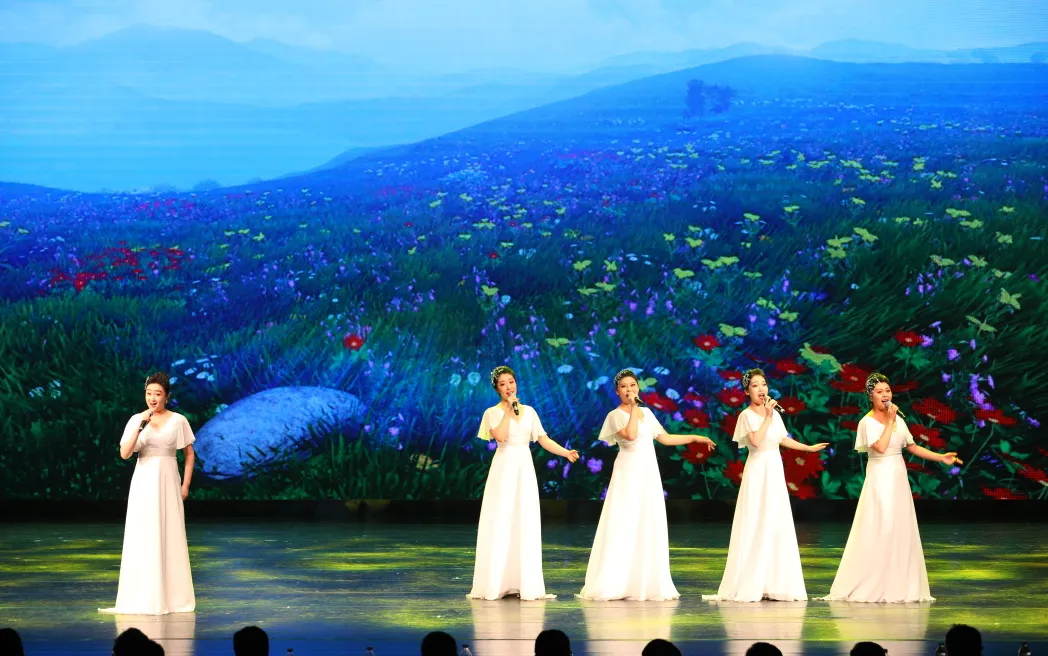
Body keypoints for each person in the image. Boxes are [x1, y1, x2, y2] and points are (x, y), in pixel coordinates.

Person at [821, 373, 961, 603]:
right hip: (880, 477)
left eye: (887, 390)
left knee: (900, 527)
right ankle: (875, 581)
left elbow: (912, 446)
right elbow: (881, 447)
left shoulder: (898, 420)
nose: (885, 395)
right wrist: (888, 422)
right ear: (871, 396)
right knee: (883, 525)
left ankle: (899, 583)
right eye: (880, 392)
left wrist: (941, 457)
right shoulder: (867, 422)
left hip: (898, 477)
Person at [578, 369, 715, 601]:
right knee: (625, 521)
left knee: (647, 521)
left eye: (633, 385)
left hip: (648, 473)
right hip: (628, 474)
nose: (629, 390)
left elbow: (665, 438)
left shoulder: (648, 413)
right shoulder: (614, 416)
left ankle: (645, 581)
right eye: (624, 386)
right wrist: (633, 408)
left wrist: (694, 437)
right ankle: (618, 581)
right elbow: (631, 435)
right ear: (617, 391)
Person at [704, 368, 828, 602]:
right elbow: (756, 441)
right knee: (757, 520)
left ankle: (774, 582)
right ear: (747, 391)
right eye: (755, 385)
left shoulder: (775, 415)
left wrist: (808, 448)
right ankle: (751, 581)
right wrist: (768, 417)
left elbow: (781, 439)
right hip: (758, 471)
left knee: (775, 521)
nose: (761, 389)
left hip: (774, 471)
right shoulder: (746, 415)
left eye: (763, 384)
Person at [469, 366, 580, 600]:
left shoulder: (529, 412)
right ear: (497, 389)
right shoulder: (492, 412)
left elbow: (543, 439)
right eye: (503, 384)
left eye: (511, 382)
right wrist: (509, 410)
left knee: (524, 520)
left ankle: (524, 583)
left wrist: (565, 452)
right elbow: (500, 437)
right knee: (502, 519)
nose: (509, 387)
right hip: (504, 469)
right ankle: (497, 583)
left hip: (524, 468)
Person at [100, 372, 196, 615]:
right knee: (144, 534)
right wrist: (140, 424)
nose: (153, 398)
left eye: (158, 394)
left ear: (167, 396)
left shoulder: (179, 420)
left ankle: (173, 598)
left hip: (168, 481)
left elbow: (189, 455)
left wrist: (185, 485)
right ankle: (144, 596)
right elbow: (124, 454)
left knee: (169, 534)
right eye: (149, 393)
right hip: (144, 483)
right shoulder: (137, 419)